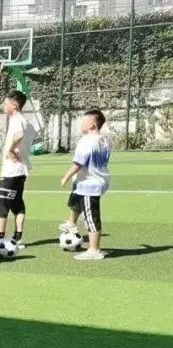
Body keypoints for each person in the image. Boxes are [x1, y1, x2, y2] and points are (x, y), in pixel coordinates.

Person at [60, 109, 111, 261]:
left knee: (91, 217)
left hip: (90, 184)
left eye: (84, 121)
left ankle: (94, 249)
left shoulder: (86, 141)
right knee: (78, 201)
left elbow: (78, 163)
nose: (81, 123)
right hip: (98, 181)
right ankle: (71, 223)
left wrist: (66, 176)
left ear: (92, 125)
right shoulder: (103, 140)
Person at [0, 90, 35, 251]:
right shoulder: (25, 121)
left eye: (6, 103)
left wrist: (10, 150)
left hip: (13, 171)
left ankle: (0, 242)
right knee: (17, 203)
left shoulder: (17, 120)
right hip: (21, 170)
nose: (3, 106)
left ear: (14, 105)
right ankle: (17, 238)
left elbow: (19, 135)